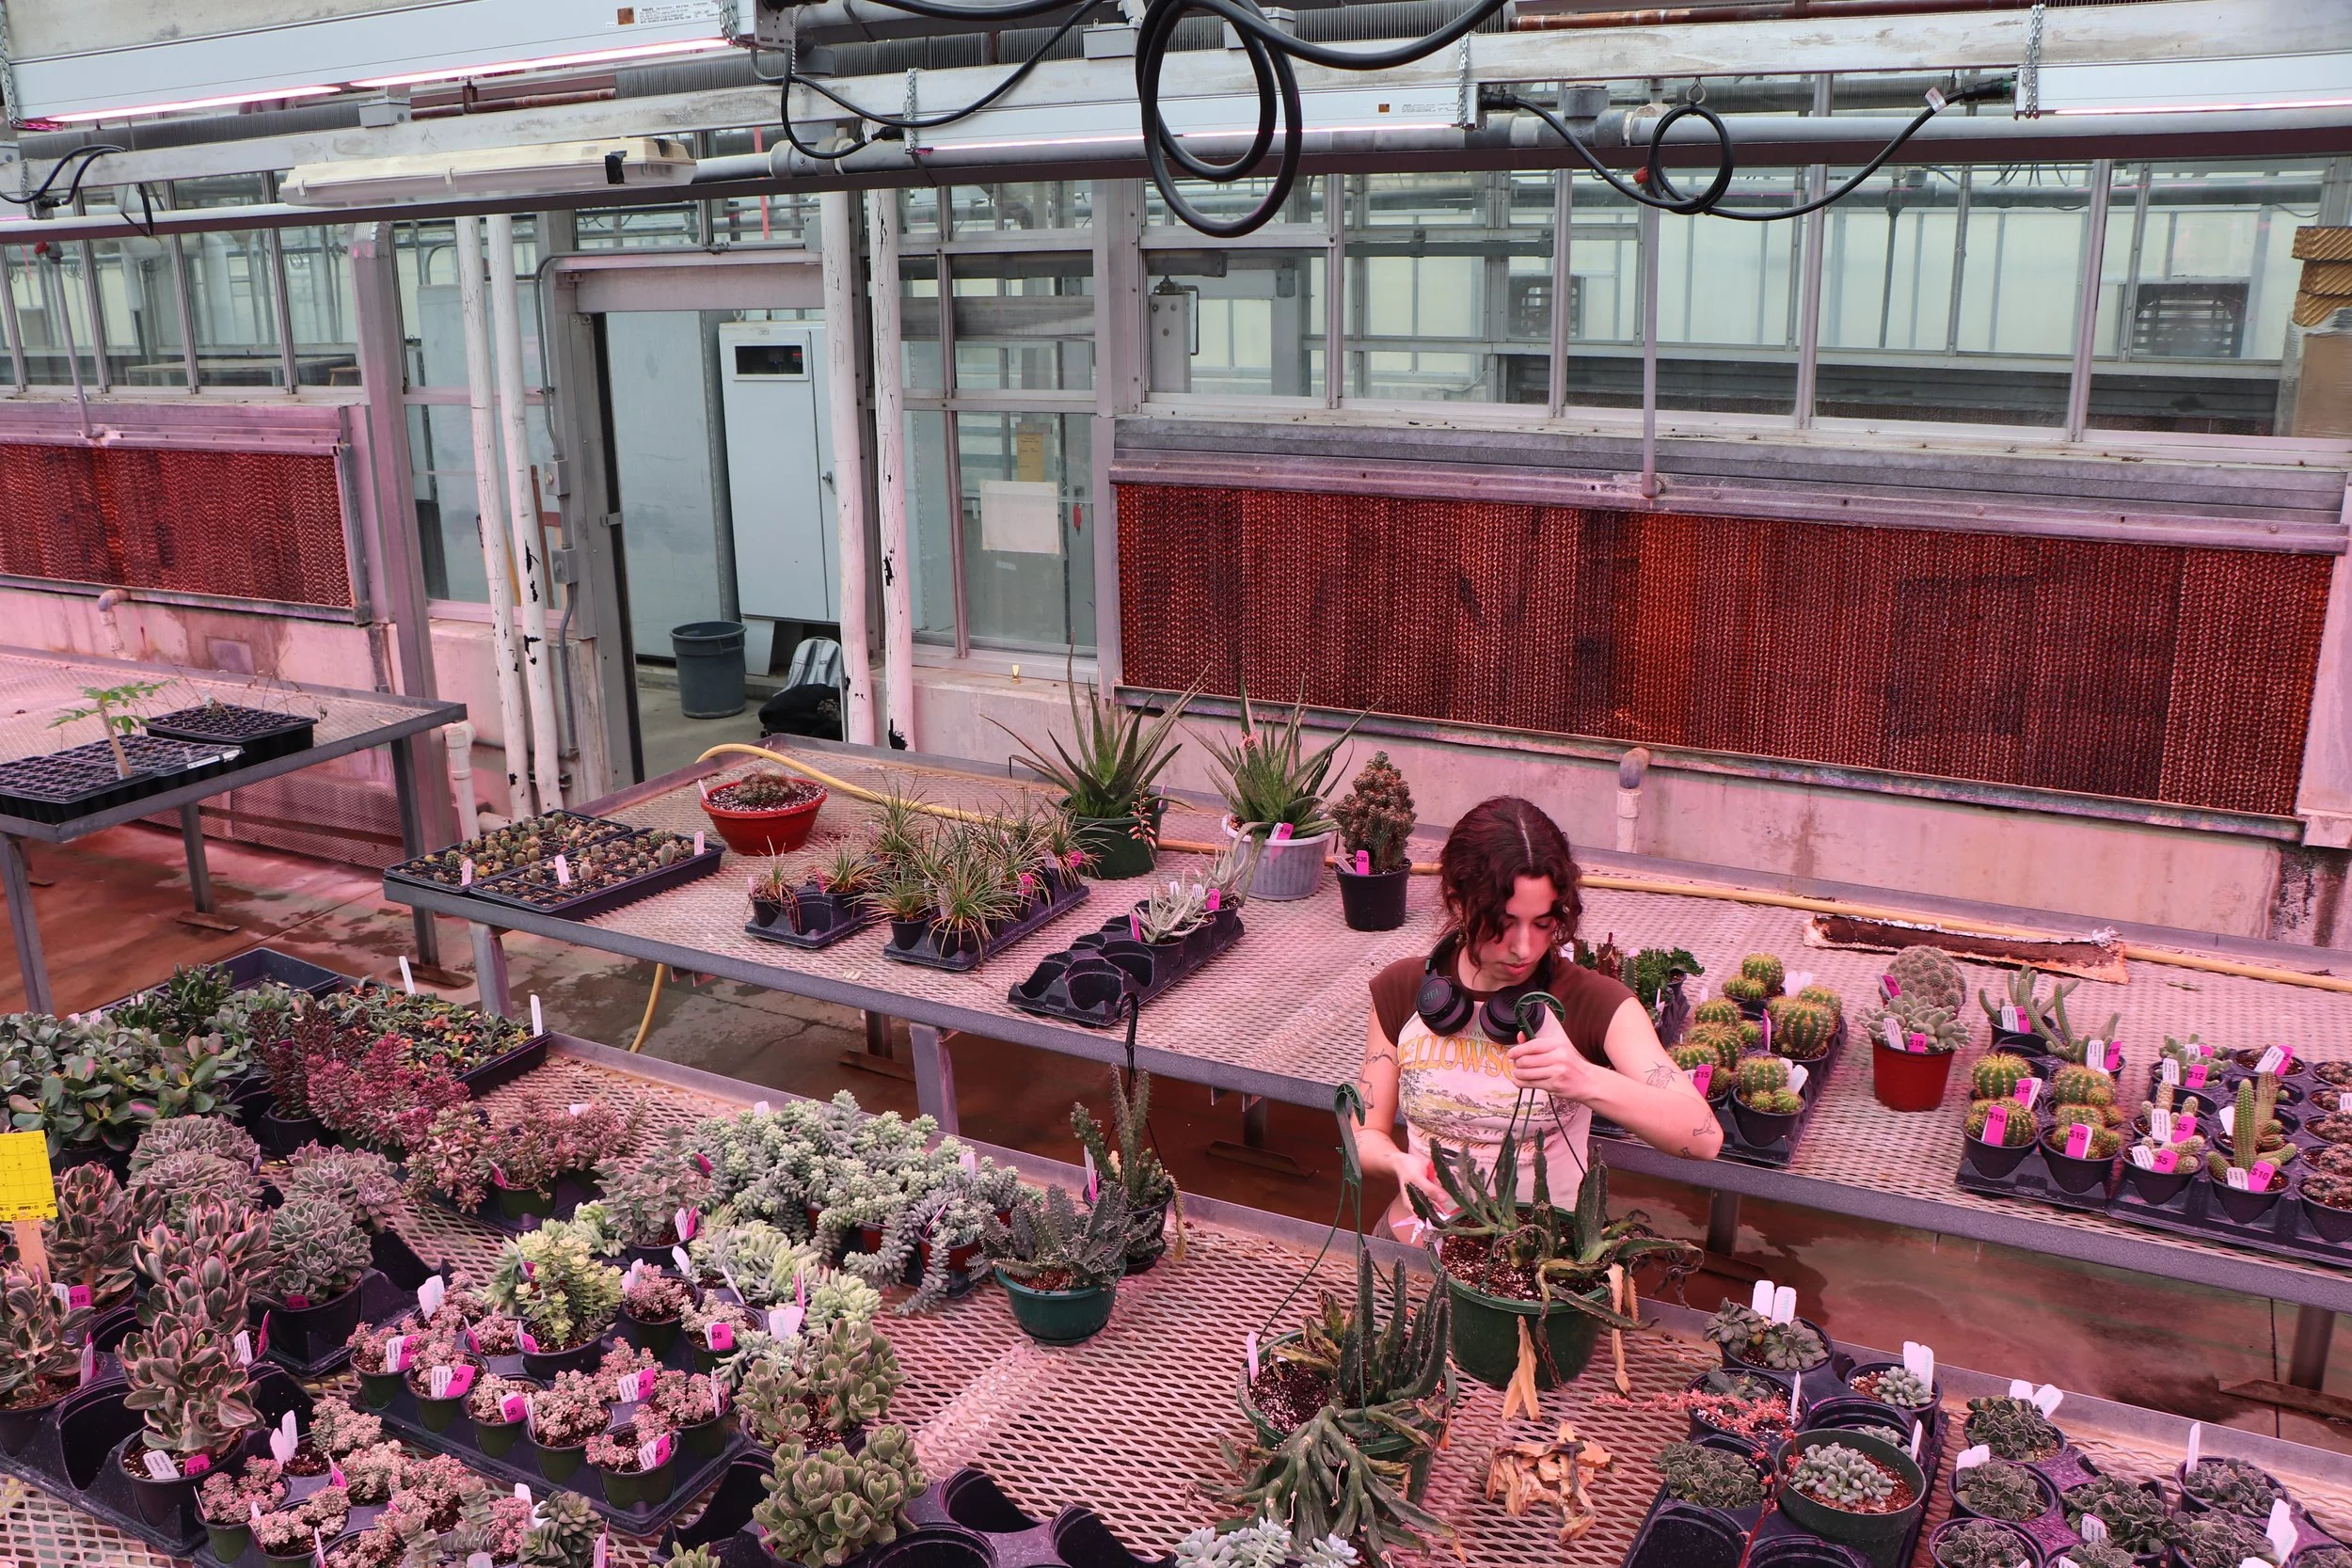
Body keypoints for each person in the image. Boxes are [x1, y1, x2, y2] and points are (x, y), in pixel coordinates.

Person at [1356, 795, 1722, 1238]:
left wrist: (1584, 1080)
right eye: (1504, 923)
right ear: (1458, 903)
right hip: (1412, 1245)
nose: (1525, 948)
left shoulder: (1595, 1003)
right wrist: (1397, 1161)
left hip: (1539, 1270)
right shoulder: (1403, 990)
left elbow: (1703, 1138)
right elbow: (1365, 1134)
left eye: (1544, 924)